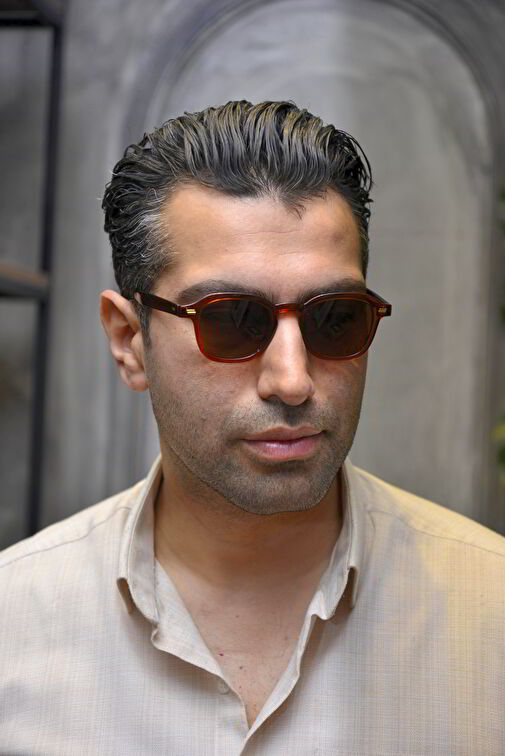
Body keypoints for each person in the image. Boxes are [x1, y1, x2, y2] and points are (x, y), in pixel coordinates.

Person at [1, 100, 504, 755]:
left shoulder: (490, 611)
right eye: (231, 319)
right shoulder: (15, 624)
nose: (292, 380)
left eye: (335, 318)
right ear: (129, 341)